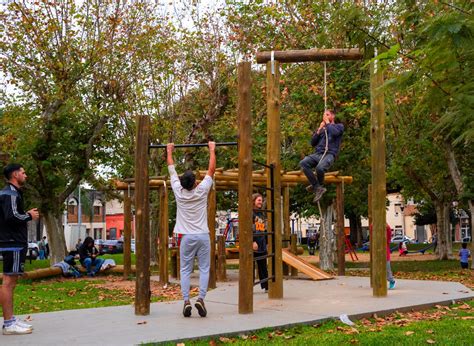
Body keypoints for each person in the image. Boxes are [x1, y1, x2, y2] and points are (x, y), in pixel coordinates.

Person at [167, 141, 216, 318]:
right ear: (195, 182)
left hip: (186, 237)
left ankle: (186, 300)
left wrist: (169, 151)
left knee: (185, 270)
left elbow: (171, 168)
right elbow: (211, 170)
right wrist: (212, 150)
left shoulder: (178, 191)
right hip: (203, 235)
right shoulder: (202, 190)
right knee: (204, 268)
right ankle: (201, 298)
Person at [0, 163, 39, 335]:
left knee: (11, 282)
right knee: (8, 282)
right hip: (12, 242)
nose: (26, 175)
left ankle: (11, 319)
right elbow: (12, 216)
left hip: (13, 242)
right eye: (23, 172)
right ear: (15, 175)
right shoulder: (10, 194)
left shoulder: (11, 193)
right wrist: (29, 215)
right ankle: (9, 324)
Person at [300, 109, 344, 202]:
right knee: (304, 163)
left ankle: (316, 186)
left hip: (329, 154)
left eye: (327, 115)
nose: (325, 117)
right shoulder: (322, 129)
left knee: (320, 168)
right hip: (318, 154)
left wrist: (327, 123)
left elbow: (334, 133)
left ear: (333, 116)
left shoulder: (339, 126)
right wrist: (319, 130)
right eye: (324, 115)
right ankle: (317, 187)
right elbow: (313, 143)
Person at [252, 193, 268, 292]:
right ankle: (249, 286)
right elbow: (249, 227)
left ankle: (266, 286)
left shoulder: (261, 213)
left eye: (261, 200)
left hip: (261, 242)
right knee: (250, 266)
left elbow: (263, 228)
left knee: (263, 266)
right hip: (254, 242)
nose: (260, 202)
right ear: (253, 201)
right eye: (258, 200)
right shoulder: (251, 213)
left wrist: (266, 241)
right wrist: (252, 241)